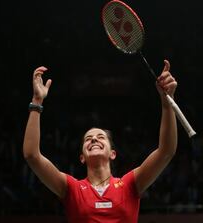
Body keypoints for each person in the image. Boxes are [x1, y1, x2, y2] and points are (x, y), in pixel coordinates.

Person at [23, 60, 178, 223]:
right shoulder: (72, 189)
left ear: (112, 154)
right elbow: (32, 155)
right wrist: (37, 102)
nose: (94, 139)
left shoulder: (129, 185)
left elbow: (166, 151)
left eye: (101, 137)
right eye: (88, 139)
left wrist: (167, 102)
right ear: (82, 157)